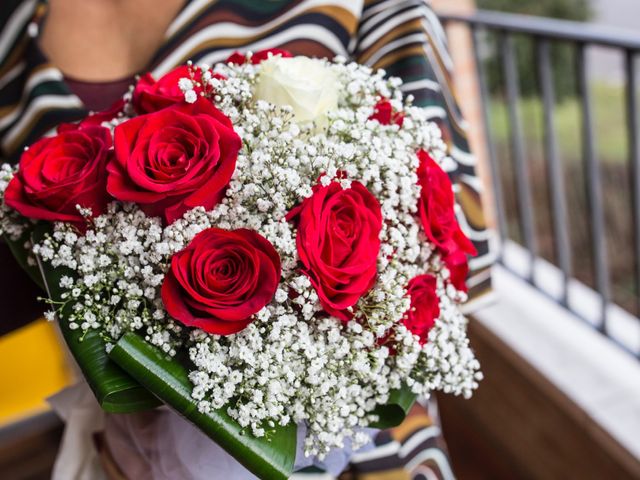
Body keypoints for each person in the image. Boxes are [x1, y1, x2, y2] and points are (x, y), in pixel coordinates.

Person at [0, 1, 492, 478]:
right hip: (122, 453)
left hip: (354, 454)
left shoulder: (373, 6)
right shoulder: (14, 27)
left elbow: (449, 234)